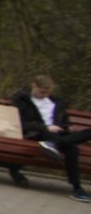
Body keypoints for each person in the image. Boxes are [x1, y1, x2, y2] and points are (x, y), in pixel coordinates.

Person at [13, 74, 91, 202]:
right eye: (42, 92)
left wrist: (66, 127)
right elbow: (20, 121)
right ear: (34, 85)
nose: (44, 95)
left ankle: (54, 144)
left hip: (58, 134)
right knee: (72, 148)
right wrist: (46, 128)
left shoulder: (56, 101)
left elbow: (64, 120)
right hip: (37, 133)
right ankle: (77, 187)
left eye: (47, 92)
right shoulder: (21, 99)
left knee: (78, 140)